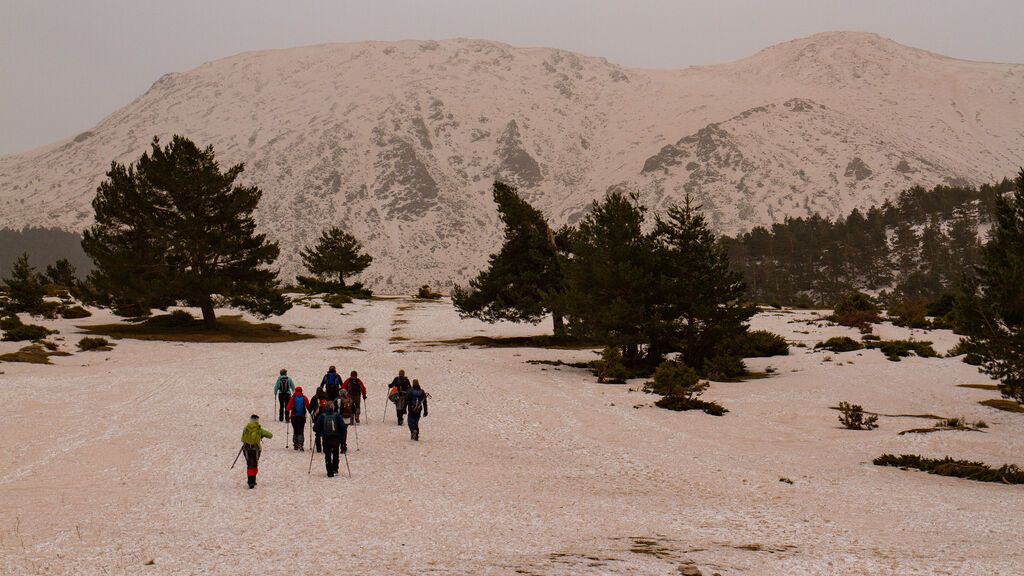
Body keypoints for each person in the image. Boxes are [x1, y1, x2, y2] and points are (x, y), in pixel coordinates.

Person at [312, 402, 347, 477]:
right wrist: (342, 437)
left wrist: (320, 432)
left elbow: (315, 428)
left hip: (326, 438)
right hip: (336, 438)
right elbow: (343, 428)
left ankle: (329, 471)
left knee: (327, 454)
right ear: (333, 408)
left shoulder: (322, 416)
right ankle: (335, 469)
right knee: (335, 453)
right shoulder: (337, 416)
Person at [241, 414, 273, 489]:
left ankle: (250, 482)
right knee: (255, 464)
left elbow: (242, 439)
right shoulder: (259, 429)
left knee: (249, 465)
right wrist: (261, 436)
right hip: (256, 449)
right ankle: (253, 480)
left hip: (246, 448)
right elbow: (270, 435)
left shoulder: (246, 428)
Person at [286, 386, 310, 451]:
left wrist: (287, 415)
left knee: (295, 430)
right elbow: (308, 406)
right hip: (301, 417)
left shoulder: (293, 398)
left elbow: (288, 407)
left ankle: (295, 444)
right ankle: (300, 444)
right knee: (301, 430)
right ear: (301, 391)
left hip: (294, 417)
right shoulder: (304, 398)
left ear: (296, 391)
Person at [309, 387, 329, 453]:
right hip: (326, 418)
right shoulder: (326, 397)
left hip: (317, 418)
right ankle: (325, 448)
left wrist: (312, 413)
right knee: (324, 434)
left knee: (317, 434)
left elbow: (310, 408)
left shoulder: (315, 398)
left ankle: (318, 449)